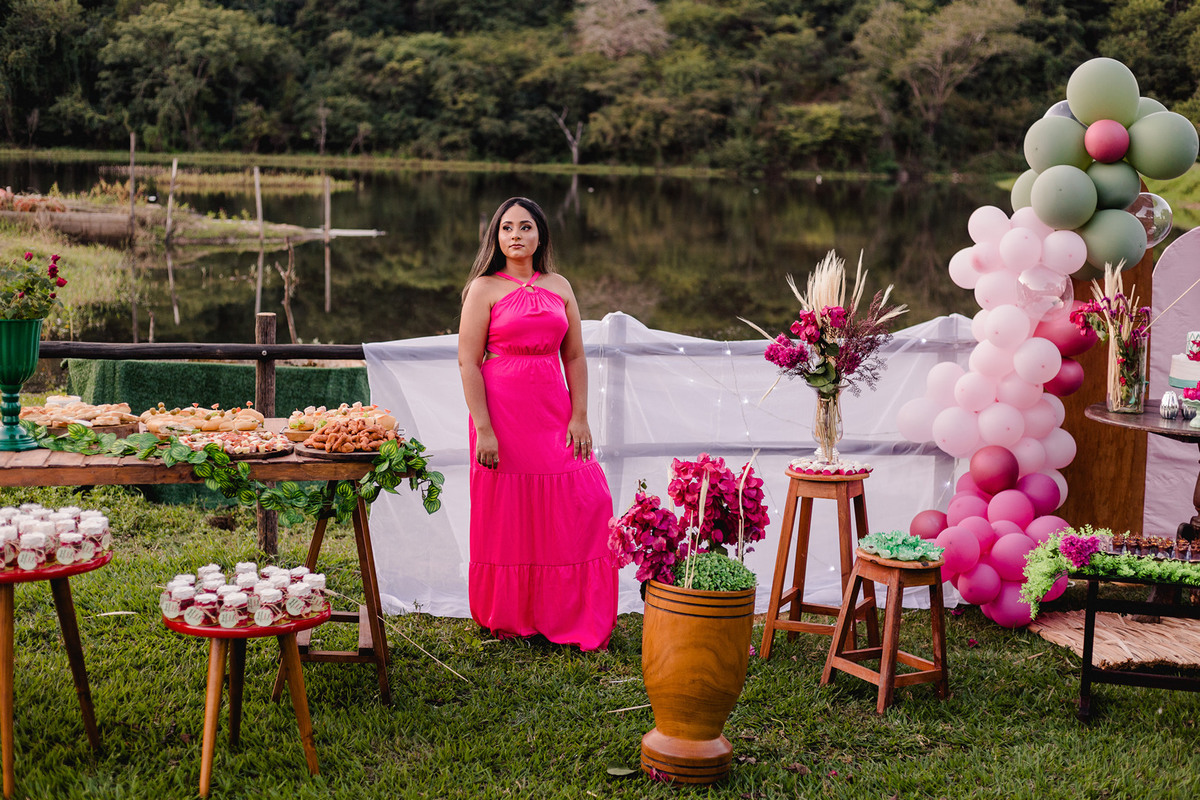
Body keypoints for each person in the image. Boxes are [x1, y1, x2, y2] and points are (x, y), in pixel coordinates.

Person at [458, 197, 617, 650]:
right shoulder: (483, 289)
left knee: (586, 498)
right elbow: (468, 363)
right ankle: (510, 614)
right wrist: (483, 429)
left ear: (540, 235)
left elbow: (575, 355)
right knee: (509, 513)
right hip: (502, 417)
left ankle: (567, 610)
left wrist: (580, 416)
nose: (515, 235)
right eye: (506, 228)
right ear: (496, 237)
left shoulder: (560, 285)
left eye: (525, 227)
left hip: (554, 410)